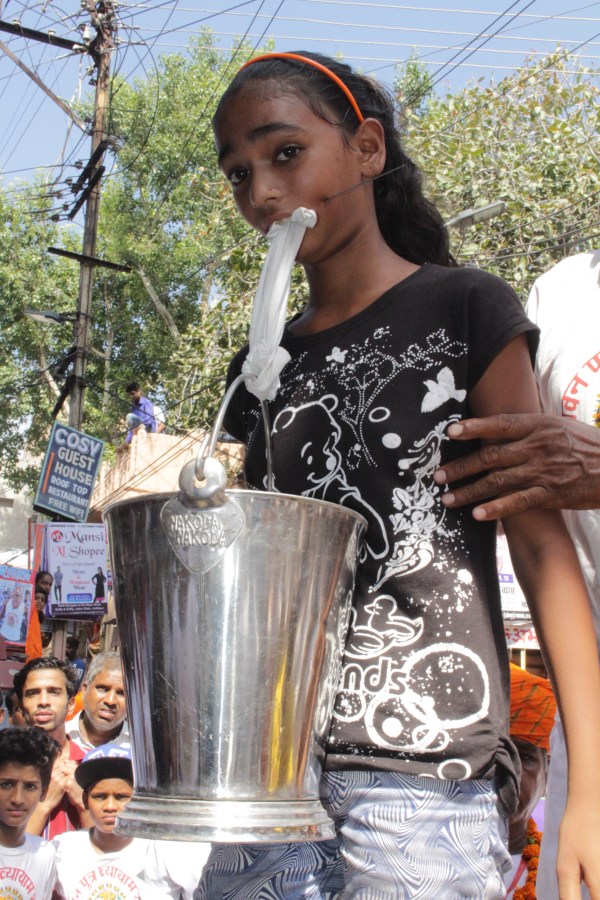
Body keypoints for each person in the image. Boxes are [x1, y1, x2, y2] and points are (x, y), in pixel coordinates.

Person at [196, 52, 600, 898]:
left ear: (367, 149)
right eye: (238, 173)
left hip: (427, 773)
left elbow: (541, 547)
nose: (262, 193)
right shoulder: (260, 369)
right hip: (272, 774)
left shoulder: (467, 308)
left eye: (283, 153)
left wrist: (589, 792)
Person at [53, 743, 180, 898]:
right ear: (85, 800)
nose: (110, 807)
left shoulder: (158, 851)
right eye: (100, 797)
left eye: (121, 797)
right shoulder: (63, 849)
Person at [13, 656, 90, 838]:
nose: (44, 701)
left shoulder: (92, 765)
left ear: (71, 705)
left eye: (54, 692)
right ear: (22, 708)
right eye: (33, 693)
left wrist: (84, 803)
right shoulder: (5, 767)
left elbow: (107, 850)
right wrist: (44, 806)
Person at [504, 663, 556, 898]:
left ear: (548, 770)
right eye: (491, 755)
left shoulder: (562, 868)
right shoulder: (420, 860)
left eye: (523, 756)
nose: (505, 769)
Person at [0, 726, 59, 899]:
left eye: (30, 787)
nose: (17, 799)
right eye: (6, 784)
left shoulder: (45, 854)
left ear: (43, 792)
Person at [67, 651, 129, 752]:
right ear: (85, 689)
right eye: (103, 689)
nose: (110, 701)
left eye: (121, 693)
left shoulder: (141, 749)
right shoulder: (59, 738)